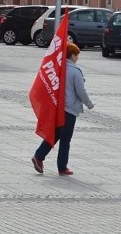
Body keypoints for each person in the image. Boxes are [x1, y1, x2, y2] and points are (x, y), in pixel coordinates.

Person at [31, 42, 94, 176]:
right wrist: (89, 103)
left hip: (57, 108)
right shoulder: (75, 71)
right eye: (77, 55)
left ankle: (39, 156)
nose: (77, 58)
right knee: (65, 139)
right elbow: (80, 91)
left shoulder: (58, 68)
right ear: (72, 56)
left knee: (56, 135)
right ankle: (62, 167)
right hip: (69, 109)